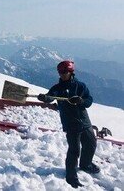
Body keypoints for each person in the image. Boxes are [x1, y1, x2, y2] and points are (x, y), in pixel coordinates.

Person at [37, 60, 100, 188]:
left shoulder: (80, 86)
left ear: (71, 72)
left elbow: (89, 100)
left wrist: (81, 100)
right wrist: (45, 98)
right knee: (74, 150)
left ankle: (85, 164)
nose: (62, 74)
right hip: (71, 124)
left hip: (85, 121)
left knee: (91, 144)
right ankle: (71, 177)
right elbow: (50, 97)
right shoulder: (57, 88)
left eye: (64, 71)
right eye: (60, 72)